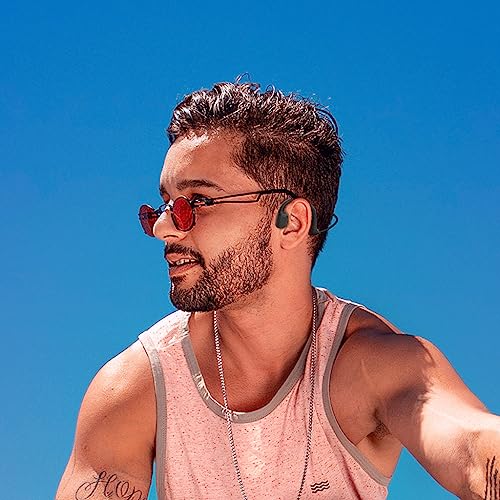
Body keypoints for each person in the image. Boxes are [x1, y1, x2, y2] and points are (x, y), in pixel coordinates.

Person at [56, 81, 500, 500]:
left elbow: (469, 444)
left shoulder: (368, 364)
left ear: (291, 222)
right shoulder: (135, 389)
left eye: (198, 202)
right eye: (165, 205)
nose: (163, 227)